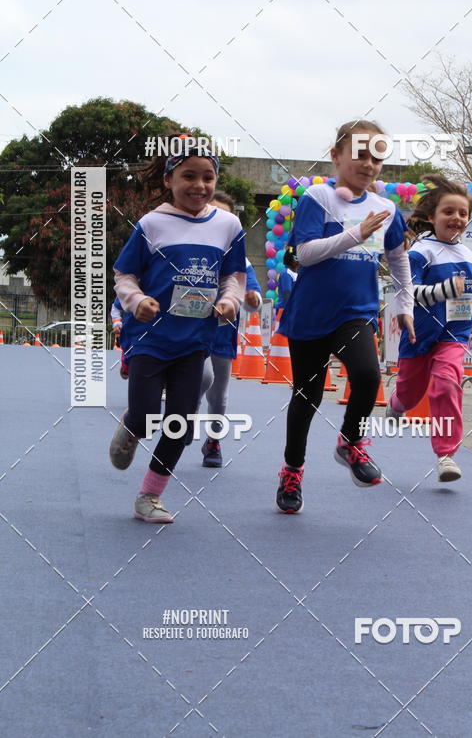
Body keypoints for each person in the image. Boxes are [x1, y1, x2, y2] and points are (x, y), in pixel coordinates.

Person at [275, 120, 415, 513]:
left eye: (377, 157)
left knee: (368, 376)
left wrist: (405, 306)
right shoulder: (317, 197)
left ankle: (351, 442)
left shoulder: (386, 208)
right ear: (336, 155)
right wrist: (357, 234)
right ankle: (292, 471)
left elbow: (398, 260)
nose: (369, 164)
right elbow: (304, 254)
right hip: (310, 313)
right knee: (308, 397)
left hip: (356, 312)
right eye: (360, 154)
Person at [109, 146, 246, 523]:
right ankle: (132, 425)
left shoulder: (228, 226)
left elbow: (233, 277)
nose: (199, 185)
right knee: (145, 416)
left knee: (180, 422)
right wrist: (136, 300)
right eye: (189, 176)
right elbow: (124, 274)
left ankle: (149, 496)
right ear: (169, 179)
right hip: (150, 337)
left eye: (208, 177)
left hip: (195, 339)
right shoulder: (152, 224)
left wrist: (230, 300)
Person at [386, 174, 472, 482]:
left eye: (463, 213)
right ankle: (397, 403)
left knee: (446, 383)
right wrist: (443, 292)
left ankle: (446, 454)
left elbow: (464, 294)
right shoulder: (420, 251)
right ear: (432, 217)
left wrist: (470, 318)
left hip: (453, 335)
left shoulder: (467, 254)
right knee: (411, 394)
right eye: (448, 211)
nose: (457, 218)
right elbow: (407, 290)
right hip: (419, 333)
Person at [194, 190, 262, 468]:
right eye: (212, 214)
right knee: (203, 377)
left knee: (219, 394)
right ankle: (186, 417)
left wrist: (252, 300)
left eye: (225, 217)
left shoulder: (240, 260)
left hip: (223, 332)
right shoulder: (190, 250)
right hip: (192, 331)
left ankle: (213, 441)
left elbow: (253, 298)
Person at [110, 297, 129, 378]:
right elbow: (116, 307)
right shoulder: (125, 293)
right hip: (126, 333)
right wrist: (117, 323)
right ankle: (125, 368)